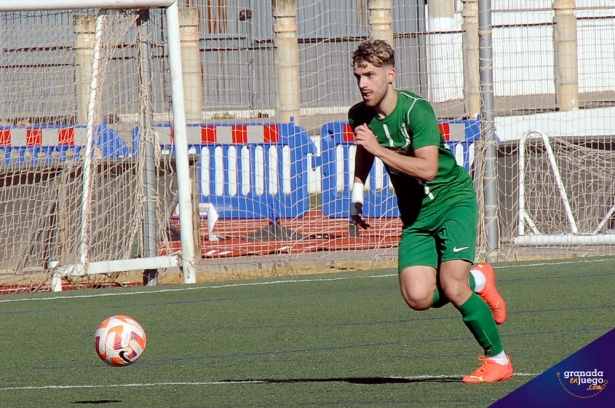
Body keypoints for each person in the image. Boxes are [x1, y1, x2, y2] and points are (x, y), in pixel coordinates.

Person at [348, 39, 512, 383]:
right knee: (418, 296)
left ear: (390, 75)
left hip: (453, 201)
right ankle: (479, 279)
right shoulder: (358, 114)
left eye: (371, 75)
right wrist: (357, 193)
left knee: (452, 286)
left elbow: (427, 169)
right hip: (417, 218)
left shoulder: (416, 110)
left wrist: (379, 148)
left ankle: (497, 360)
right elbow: (365, 150)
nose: (364, 83)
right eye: (359, 75)